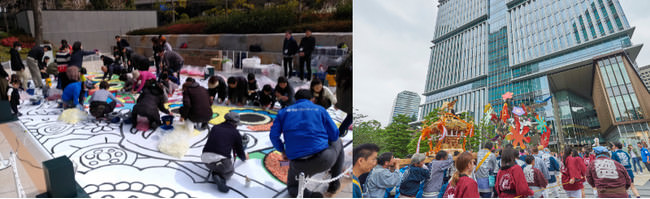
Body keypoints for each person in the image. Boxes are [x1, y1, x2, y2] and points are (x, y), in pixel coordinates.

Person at [269, 89, 343, 198]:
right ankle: (334, 184)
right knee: (338, 141)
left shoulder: (283, 112)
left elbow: (273, 136)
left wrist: (282, 150)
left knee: (293, 189)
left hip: (298, 165)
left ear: (295, 99)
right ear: (312, 99)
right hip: (323, 159)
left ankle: (311, 195)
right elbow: (334, 134)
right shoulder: (320, 110)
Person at [201, 112, 248, 193]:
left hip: (205, 160)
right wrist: (244, 158)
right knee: (230, 171)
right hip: (221, 162)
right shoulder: (235, 133)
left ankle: (215, 170)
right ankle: (218, 176)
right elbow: (239, 151)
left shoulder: (215, 127)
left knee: (217, 164)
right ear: (235, 123)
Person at [335, 54, 352, 137]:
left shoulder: (344, 64)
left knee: (350, 116)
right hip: (347, 98)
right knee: (351, 116)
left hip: (343, 98)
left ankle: (340, 132)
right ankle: (339, 133)